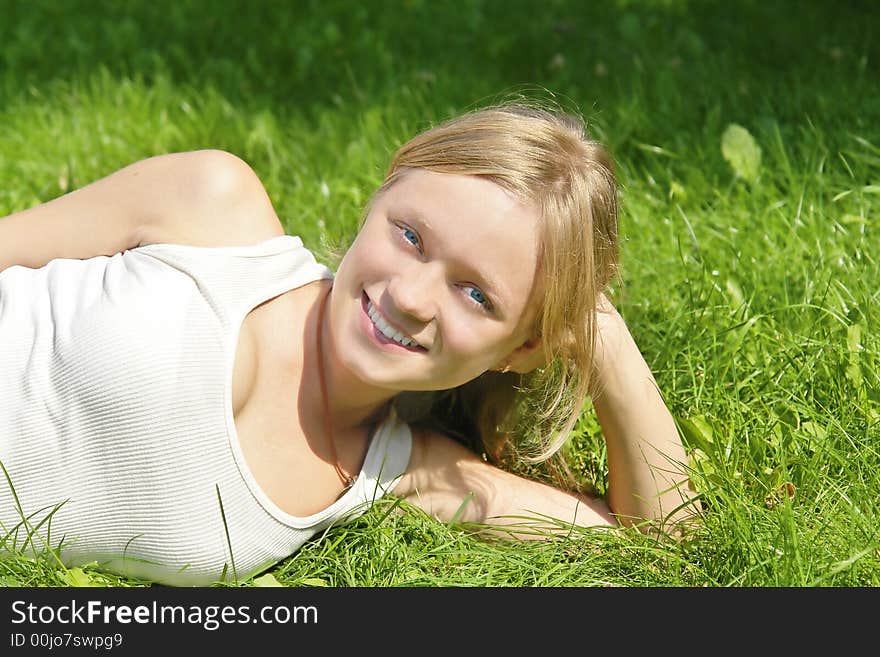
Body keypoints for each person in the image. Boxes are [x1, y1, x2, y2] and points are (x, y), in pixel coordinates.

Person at [0, 101, 697, 586]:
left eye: (477, 294)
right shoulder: (213, 210)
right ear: (381, 191)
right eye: (411, 235)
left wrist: (607, 347)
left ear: (520, 350)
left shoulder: (400, 472)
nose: (412, 296)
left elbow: (661, 545)